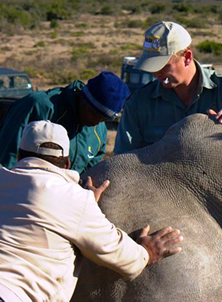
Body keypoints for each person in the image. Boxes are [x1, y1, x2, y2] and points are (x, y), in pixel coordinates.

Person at [0, 120, 183, 302]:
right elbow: (117, 253)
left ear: (18, 156)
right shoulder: (74, 199)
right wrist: (145, 253)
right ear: (67, 163)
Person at [114, 21, 222, 153]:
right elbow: (122, 159)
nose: (156, 74)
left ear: (187, 58)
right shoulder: (139, 102)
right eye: (152, 67)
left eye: (163, 66)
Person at [0, 71, 130, 173]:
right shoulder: (39, 107)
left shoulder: (99, 132)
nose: (97, 122)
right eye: (94, 113)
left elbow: (88, 173)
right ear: (82, 96)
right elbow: (6, 156)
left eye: (104, 119)